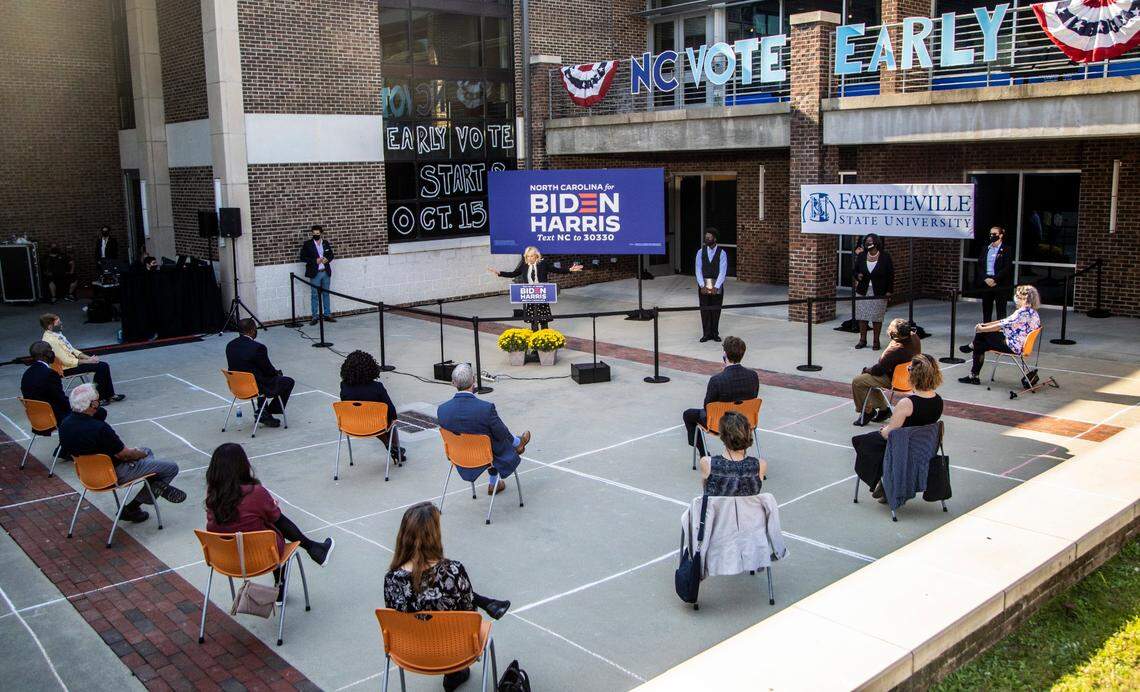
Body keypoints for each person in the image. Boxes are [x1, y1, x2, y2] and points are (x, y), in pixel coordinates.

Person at [384, 501, 510, 691]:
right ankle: (453, 673)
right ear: (434, 535)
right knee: (457, 606)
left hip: (410, 651)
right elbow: (470, 614)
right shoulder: (453, 571)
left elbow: (395, 613)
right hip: (455, 651)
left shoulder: (391, 579)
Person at [58, 383, 185, 523]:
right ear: (93, 404)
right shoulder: (100, 428)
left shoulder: (65, 424)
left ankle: (155, 482)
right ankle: (134, 506)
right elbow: (124, 454)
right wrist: (138, 454)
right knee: (170, 467)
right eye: (97, 401)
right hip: (114, 473)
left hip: (87, 474)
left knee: (147, 451)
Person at [205, 443, 334, 577]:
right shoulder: (255, 493)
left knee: (264, 519)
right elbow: (273, 517)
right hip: (260, 558)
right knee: (275, 523)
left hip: (225, 560)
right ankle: (309, 552)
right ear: (243, 466)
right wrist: (269, 506)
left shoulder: (212, 494)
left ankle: (313, 548)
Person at [437, 363, 529, 496]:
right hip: (486, 456)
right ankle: (517, 444)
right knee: (495, 440)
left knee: (484, 438)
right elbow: (502, 434)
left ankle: (516, 443)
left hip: (458, 456)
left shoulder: (442, 410)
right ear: (474, 380)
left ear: (453, 383)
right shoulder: (485, 409)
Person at [864, 354, 944, 503]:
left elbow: (889, 433)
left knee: (864, 443)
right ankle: (885, 484)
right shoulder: (938, 400)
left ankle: (884, 482)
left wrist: (883, 430)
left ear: (913, 374)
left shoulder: (907, 403)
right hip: (925, 449)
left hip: (903, 450)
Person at [682, 336, 759, 457]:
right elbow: (753, 396)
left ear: (725, 354)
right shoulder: (753, 376)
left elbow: (708, 406)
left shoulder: (717, 380)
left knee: (688, 414)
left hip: (719, 423)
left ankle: (703, 453)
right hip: (746, 420)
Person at [958, 284, 1042, 385]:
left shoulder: (1021, 313)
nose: (1016, 298)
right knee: (981, 339)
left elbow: (1000, 326)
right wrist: (985, 325)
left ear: (1023, 298)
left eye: (1017, 296)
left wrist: (981, 328)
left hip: (1013, 346)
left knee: (980, 340)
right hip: (1019, 343)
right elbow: (1005, 321)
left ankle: (973, 372)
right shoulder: (1033, 313)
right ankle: (973, 359)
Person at [487, 246, 582, 331]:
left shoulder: (543, 264)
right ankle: (534, 345)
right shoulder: (524, 265)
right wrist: (500, 273)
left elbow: (556, 270)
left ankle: (544, 344)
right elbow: (513, 273)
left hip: (541, 295)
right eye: (527, 256)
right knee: (533, 321)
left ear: (536, 256)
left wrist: (570, 270)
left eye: (532, 256)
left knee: (544, 321)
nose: (529, 258)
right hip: (530, 296)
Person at [40, 313, 125, 405]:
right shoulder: (51, 340)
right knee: (101, 367)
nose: (61, 323)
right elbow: (67, 361)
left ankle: (108, 395)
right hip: (64, 369)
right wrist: (89, 361)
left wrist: (90, 358)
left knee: (101, 364)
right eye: (58, 322)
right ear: (50, 326)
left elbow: (72, 350)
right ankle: (99, 398)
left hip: (71, 364)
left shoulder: (57, 335)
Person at [850, 318, 922, 426]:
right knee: (870, 379)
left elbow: (878, 370)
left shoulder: (896, 350)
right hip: (910, 376)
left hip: (895, 379)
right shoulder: (914, 337)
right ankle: (884, 410)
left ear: (894, 335)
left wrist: (866, 370)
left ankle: (867, 411)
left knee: (858, 381)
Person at [225, 318, 294, 428]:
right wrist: (277, 373)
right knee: (288, 381)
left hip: (236, 385)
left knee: (260, 377)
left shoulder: (230, 345)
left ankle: (263, 410)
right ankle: (266, 412)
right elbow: (268, 369)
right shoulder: (258, 348)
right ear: (253, 330)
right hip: (254, 386)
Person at [21, 340, 106, 428]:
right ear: (46, 355)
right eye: (51, 351)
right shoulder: (50, 374)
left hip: (36, 418)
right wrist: (80, 405)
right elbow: (61, 400)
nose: (53, 353)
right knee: (100, 412)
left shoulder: (27, 373)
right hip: (55, 416)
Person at [340, 350, 405, 463]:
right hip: (375, 425)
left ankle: (389, 445)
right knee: (390, 422)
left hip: (351, 425)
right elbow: (392, 412)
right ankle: (394, 447)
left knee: (369, 419)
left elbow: (345, 403)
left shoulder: (344, 386)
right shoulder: (377, 387)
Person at [698, 411, 768, 496]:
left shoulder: (707, 463)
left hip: (718, 509)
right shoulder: (760, 465)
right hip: (747, 509)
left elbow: (706, 492)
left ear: (722, 436)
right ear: (748, 433)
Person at [852, 233, 893, 350]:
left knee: (876, 317)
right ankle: (862, 340)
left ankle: (876, 341)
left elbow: (891, 275)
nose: (867, 244)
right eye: (866, 242)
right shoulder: (861, 256)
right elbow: (855, 270)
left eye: (870, 242)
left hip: (879, 291)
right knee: (862, 316)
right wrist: (857, 276)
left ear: (876, 243)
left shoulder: (885, 257)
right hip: (863, 290)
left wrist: (889, 291)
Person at [973, 225, 1013, 323]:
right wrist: (986, 278)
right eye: (990, 234)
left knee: (1001, 311)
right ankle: (986, 332)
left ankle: (1000, 333)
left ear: (1001, 235)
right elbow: (980, 266)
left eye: (994, 234)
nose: (992, 236)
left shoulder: (1006, 249)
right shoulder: (986, 248)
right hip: (986, 282)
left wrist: (995, 279)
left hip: (999, 283)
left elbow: (1007, 267)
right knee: (986, 310)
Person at [694, 228, 728, 343]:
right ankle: (706, 334)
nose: (706, 239)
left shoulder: (722, 253)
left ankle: (715, 333)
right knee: (704, 309)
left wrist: (716, 286)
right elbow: (698, 269)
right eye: (706, 237)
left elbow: (723, 271)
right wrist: (702, 285)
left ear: (715, 238)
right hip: (704, 284)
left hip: (716, 285)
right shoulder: (700, 252)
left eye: (709, 237)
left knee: (716, 309)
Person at [299, 224, 336, 325]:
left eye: (317, 233)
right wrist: (314, 261)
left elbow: (331, 255)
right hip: (315, 273)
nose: (316, 235)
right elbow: (302, 257)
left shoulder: (325, 243)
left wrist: (326, 259)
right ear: (312, 233)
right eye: (314, 233)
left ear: (321, 233)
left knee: (326, 294)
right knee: (314, 295)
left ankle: (327, 314)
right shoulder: (308, 244)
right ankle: (314, 316)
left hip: (325, 272)